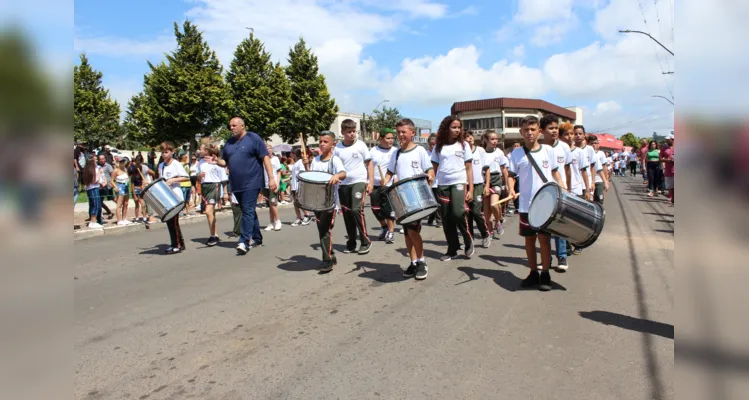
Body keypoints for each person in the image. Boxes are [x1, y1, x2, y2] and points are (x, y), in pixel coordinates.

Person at [507, 116, 566, 291]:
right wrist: (511, 189)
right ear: (521, 132)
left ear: (539, 131)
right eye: (526, 130)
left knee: (544, 240)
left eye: (533, 129)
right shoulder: (516, 154)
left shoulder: (548, 150)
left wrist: (563, 189)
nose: (529, 133)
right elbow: (511, 175)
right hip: (526, 204)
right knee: (529, 240)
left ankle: (546, 273)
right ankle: (533, 272)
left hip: (546, 204)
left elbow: (555, 173)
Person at [380, 119, 434, 280]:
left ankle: (422, 261)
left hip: (417, 196)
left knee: (412, 230)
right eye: (398, 132)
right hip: (401, 197)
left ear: (412, 133)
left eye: (404, 132)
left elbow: (429, 169)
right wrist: (385, 180)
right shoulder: (396, 153)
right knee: (407, 234)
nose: (400, 135)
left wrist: (430, 175)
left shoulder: (420, 151)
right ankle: (414, 261)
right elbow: (390, 172)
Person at [214, 117, 276, 255]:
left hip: (252, 181)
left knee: (247, 209)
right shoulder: (229, 143)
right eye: (230, 126)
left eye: (234, 125)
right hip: (236, 183)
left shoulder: (253, 138)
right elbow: (225, 162)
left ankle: (244, 240)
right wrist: (216, 161)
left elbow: (265, 157)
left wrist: (271, 178)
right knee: (247, 210)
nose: (231, 128)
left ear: (242, 126)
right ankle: (257, 238)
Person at [301, 131, 346, 273]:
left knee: (325, 229)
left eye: (325, 141)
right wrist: (307, 166)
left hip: (330, 201)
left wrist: (337, 176)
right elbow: (313, 177)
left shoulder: (335, 160)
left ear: (333, 144)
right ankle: (331, 255)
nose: (321, 144)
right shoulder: (316, 160)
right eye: (320, 141)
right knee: (322, 229)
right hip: (317, 201)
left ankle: (327, 260)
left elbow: (343, 174)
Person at [431, 115, 474, 261]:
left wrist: (471, 189)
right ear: (446, 128)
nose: (457, 130)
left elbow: (469, 169)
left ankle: (468, 240)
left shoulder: (464, 145)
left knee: (457, 213)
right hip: (442, 184)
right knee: (446, 218)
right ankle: (452, 248)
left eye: (459, 127)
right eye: (454, 127)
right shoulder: (439, 146)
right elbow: (434, 169)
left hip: (459, 182)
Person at [334, 119, 373, 255]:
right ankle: (351, 242)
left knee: (356, 210)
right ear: (343, 132)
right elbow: (335, 166)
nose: (352, 134)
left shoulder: (361, 145)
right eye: (349, 132)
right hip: (344, 184)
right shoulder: (338, 148)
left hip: (359, 181)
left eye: (354, 131)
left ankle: (365, 241)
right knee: (347, 214)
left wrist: (370, 182)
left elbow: (369, 164)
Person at [540, 114, 572, 270]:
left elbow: (567, 169)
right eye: (550, 128)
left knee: (559, 225)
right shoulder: (538, 148)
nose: (554, 131)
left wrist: (569, 188)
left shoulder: (564, 147)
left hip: (562, 190)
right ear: (542, 131)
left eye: (555, 128)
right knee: (544, 228)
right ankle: (546, 260)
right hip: (544, 193)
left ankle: (562, 257)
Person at [158, 141, 190, 254]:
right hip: (166, 196)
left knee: (174, 221)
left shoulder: (176, 164)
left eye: (166, 152)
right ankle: (177, 243)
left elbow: (186, 177)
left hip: (175, 196)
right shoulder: (161, 166)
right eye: (162, 152)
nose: (164, 154)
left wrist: (173, 180)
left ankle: (177, 245)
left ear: (172, 152)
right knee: (169, 221)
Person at [367, 128, 398, 243]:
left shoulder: (395, 151)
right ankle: (384, 227)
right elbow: (368, 168)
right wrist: (368, 183)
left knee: (388, 209)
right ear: (381, 139)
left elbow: (397, 168)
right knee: (375, 209)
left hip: (388, 185)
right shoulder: (373, 151)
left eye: (392, 138)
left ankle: (391, 231)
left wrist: (393, 179)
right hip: (375, 185)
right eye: (388, 138)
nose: (390, 140)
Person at [481, 130, 509, 240]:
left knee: (494, 204)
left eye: (496, 139)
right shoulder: (481, 152)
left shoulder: (499, 152)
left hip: (497, 178)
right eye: (492, 139)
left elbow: (504, 169)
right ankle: (490, 230)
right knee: (487, 210)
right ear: (486, 140)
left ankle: (498, 221)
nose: (495, 141)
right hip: (484, 179)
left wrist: (507, 184)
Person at [465, 131, 491, 248]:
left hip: (477, 185)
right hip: (464, 185)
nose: (469, 139)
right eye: (466, 137)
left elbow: (486, 170)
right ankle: (470, 238)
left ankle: (485, 234)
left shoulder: (480, 151)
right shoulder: (461, 151)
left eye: (470, 136)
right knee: (467, 213)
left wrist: (487, 185)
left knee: (476, 211)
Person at [198, 143, 226, 247]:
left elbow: (223, 178)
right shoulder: (200, 162)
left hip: (215, 186)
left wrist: (226, 193)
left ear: (206, 151)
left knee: (208, 211)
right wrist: (199, 176)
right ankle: (216, 234)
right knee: (211, 213)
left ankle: (212, 236)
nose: (198, 151)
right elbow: (198, 177)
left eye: (200, 149)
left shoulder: (216, 161)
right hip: (205, 187)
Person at [290, 149, 313, 226]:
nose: (290, 154)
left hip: (298, 185)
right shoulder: (295, 163)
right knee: (295, 203)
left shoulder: (300, 162)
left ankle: (307, 215)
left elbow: (302, 173)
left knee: (299, 202)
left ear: (294, 154)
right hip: (294, 185)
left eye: (291, 153)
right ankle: (298, 218)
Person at [263, 144, 282, 231]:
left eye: (270, 148)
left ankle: (277, 221)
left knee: (273, 203)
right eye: (267, 149)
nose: (268, 150)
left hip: (273, 184)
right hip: (265, 185)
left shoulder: (275, 159)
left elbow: (278, 172)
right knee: (269, 205)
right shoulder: (263, 160)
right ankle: (271, 222)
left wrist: (277, 184)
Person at [82, 155, 104, 229]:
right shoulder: (90, 170)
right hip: (93, 189)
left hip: (94, 188)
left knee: (93, 205)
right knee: (95, 205)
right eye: (95, 160)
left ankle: (93, 221)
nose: (96, 161)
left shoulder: (92, 168)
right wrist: (99, 173)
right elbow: (95, 181)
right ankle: (93, 222)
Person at [425, 133, 442, 228]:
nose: (433, 146)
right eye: (431, 144)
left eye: (434, 144)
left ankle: (439, 220)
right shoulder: (425, 153)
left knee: (438, 201)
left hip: (438, 181)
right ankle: (431, 218)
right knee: (430, 202)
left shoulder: (440, 153)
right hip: (427, 182)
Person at [110, 158, 133, 225]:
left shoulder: (125, 170)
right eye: (121, 162)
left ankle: (124, 218)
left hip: (126, 186)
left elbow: (128, 178)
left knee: (126, 203)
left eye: (123, 162)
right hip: (120, 186)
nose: (122, 163)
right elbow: (111, 181)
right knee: (119, 204)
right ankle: (119, 220)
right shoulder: (116, 170)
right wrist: (116, 187)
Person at [588, 136, 610, 204]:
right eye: (592, 143)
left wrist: (606, 181)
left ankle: (600, 211)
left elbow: (603, 168)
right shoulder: (585, 153)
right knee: (590, 200)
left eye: (595, 143)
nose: (594, 145)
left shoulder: (600, 153)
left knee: (599, 198)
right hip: (588, 181)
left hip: (599, 180)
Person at [96, 155, 115, 219]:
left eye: (102, 159)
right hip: (101, 186)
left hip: (108, 185)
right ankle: (108, 213)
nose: (101, 160)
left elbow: (112, 174)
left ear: (105, 159)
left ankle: (120, 205)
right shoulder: (98, 166)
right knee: (100, 201)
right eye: (100, 159)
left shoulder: (108, 166)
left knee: (111, 198)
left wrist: (112, 182)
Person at [661, 134, 674, 204]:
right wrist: (666, 160)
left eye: (668, 139)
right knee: (670, 186)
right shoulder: (664, 149)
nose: (666, 140)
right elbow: (660, 158)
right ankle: (671, 197)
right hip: (668, 170)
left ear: (672, 140)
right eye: (666, 139)